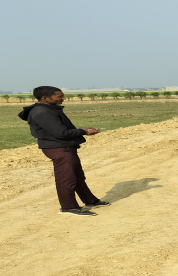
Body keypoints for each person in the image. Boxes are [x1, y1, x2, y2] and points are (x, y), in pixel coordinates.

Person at [18, 86, 109, 216]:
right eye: (59, 96)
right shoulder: (42, 112)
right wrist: (83, 131)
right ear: (45, 98)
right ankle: (68, 207)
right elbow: (61, 133)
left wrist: (81, 130)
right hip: (58, 148)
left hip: (64, 146)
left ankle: (90, 200)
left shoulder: (49, 109)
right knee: (67, 179)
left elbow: (60, 129)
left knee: (77, 176)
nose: (63, 98)